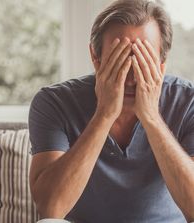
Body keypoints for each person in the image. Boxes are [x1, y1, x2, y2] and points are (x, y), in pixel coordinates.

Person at [29, 0, 194, 222]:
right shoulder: (54, 101)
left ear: (162, 65)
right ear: (96, 59)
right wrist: (104, 114)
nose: (131, 77)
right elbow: (51, 208)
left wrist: (151, 118)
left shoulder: (188, 100)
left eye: (144, 61)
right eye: (119, 59)